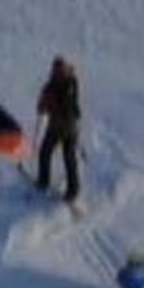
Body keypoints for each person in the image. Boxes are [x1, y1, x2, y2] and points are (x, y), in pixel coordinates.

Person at [34, 57, 81, 202]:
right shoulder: (54, 84)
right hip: (60, 126)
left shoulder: (69, 85)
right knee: (47, 153)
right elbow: (43, 104)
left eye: (59, 71)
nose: (56, 73)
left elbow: (65, 105)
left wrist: (47, 104)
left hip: (65, 128)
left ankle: (72, 190)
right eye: (55, 71)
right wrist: (42, 105)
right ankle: (44, 181)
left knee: (66, 157)